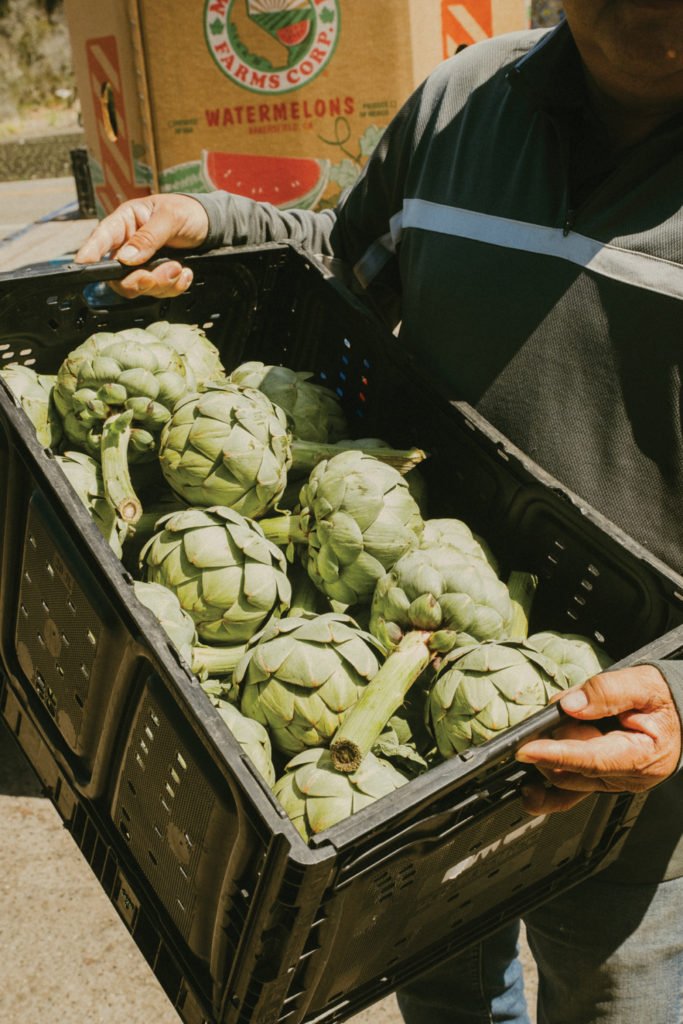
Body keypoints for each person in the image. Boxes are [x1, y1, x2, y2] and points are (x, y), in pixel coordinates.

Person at [76, 2, 683, 1021]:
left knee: (615, 997)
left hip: (631, 766)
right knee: (444, 989)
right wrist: (212, 225)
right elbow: (345, 257)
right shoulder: (459, 103)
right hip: (401, 700)